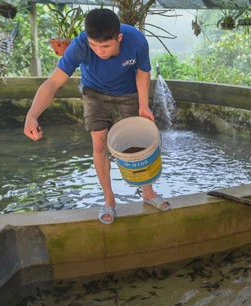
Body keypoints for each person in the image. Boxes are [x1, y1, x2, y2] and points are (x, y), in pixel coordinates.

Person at [23, 8, 170, 224]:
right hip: (94, 92)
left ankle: (148, 192)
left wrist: (143, 105)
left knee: (141, 142)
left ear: (118, 37)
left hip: (129, 91)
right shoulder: (79, 46)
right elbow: (53, 82)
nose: (99, 51)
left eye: (106, 46)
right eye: (94, 46)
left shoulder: (136, 41)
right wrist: (32, 115)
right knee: (99, 143)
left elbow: (142, 71)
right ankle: (109, 200)